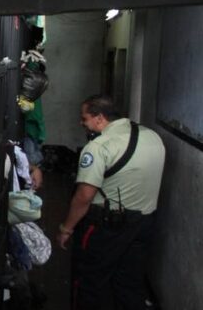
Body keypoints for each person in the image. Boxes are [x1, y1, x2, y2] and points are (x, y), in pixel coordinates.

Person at [56, 95, 165, 310]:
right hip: (145, 223)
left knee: (90, 281)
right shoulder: (152, 136)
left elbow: (84, 196)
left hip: (108, 226)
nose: (81, 123)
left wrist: (66, 228)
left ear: (99, 118)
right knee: (130, 283)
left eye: (84, 118)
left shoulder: (99, 147)